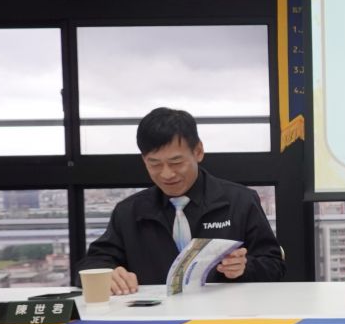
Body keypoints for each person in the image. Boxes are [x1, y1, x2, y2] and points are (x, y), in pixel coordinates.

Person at [78, 107, 285, 294]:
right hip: (154, 317)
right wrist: (108, 274)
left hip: (224, 315)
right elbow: (92, 264)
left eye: (176, 162)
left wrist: (245, 268)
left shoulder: (240, 201)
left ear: (198, 152)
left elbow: (274, 265)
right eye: (154, 164)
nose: (166, 174)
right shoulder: (129, 212)